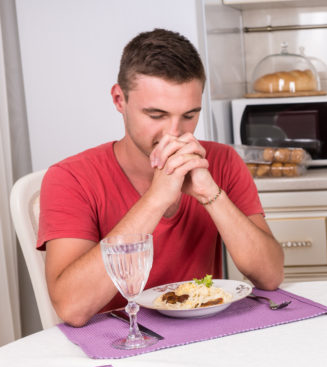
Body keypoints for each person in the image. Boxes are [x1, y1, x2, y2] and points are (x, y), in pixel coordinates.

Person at [37, 28, 284, 327]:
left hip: (205, 336)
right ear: (119, 99)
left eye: (189, 115)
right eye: (156, 115)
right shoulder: (70, 178)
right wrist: (156, 200)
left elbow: (270, 276)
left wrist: (211, 194)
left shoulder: (222, 161)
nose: (174, 133)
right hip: (117, 341)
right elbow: (72, 308)